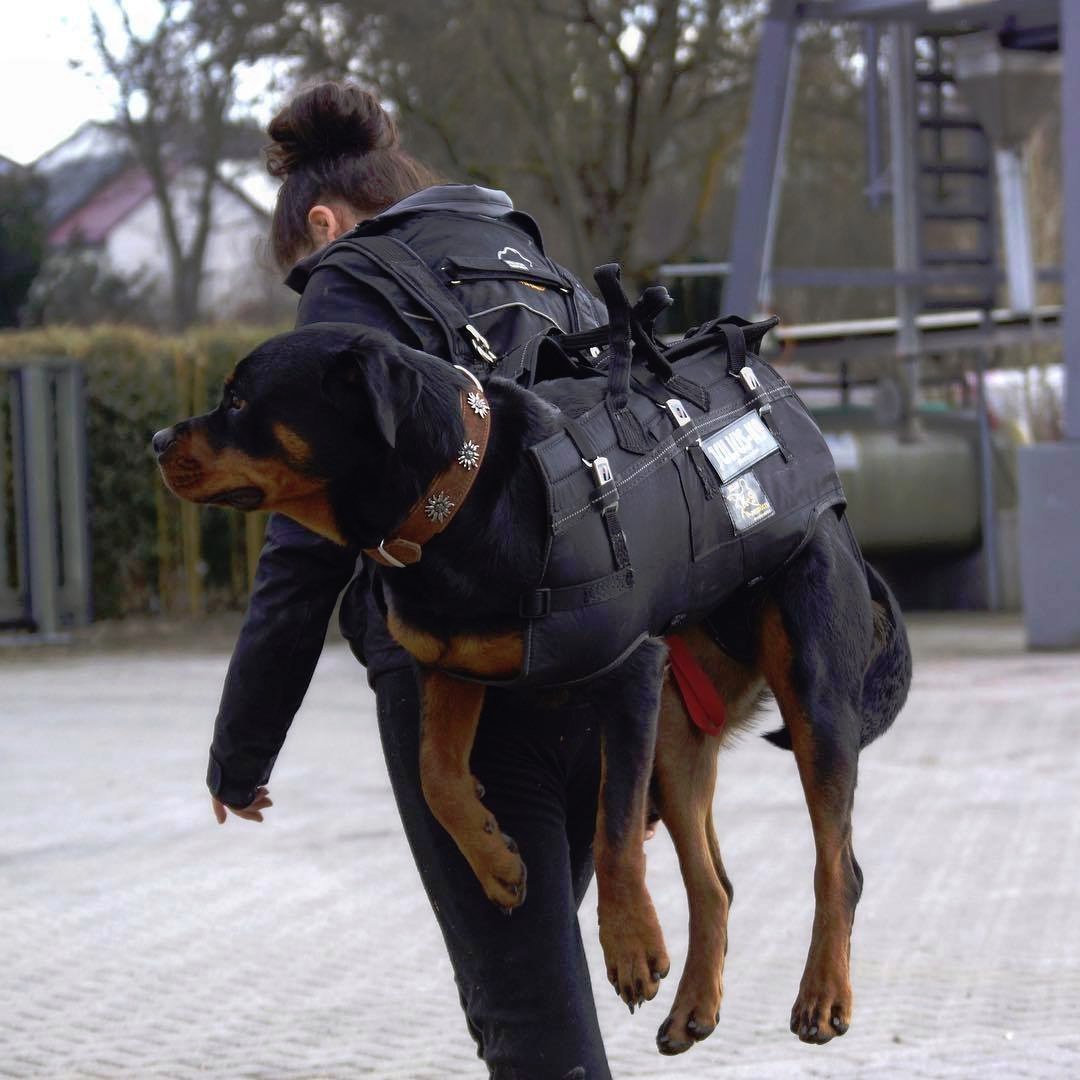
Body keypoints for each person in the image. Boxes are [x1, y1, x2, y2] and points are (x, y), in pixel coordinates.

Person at [208, 81, 614, 1080]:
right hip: (604, 662)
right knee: (527, 979)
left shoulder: (351, 282)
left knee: (530, 1019)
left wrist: (242, 744)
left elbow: (306, 549)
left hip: (462, 687)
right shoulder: (533, 263)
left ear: (321, 222)